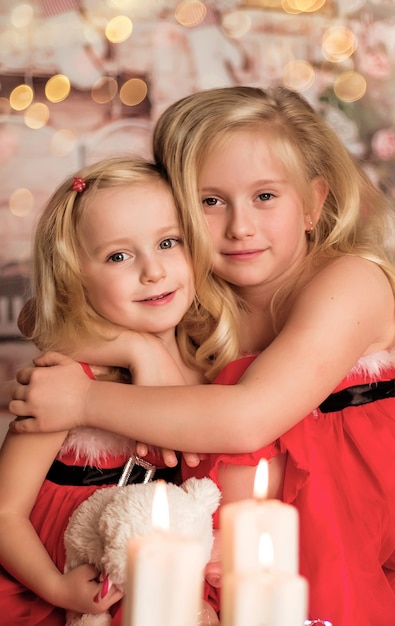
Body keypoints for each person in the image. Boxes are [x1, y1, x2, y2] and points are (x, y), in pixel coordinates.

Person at [9, 86, 395, 626]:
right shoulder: (201, 296)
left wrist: (86, 399)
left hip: (359, 530)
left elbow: (246, 420)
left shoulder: (350, 282)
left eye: (265, 197)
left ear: (314, 203)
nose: (239, 227)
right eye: (210, 201)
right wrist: (135, 346)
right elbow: (41, 316)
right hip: (250, 545)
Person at [0, 155, 237, 625]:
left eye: (169, 242)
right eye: (119, 256)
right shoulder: (66, 381)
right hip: (68, 586)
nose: (153, 271)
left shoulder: (213, 361)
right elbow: (4, 511)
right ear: (75, 278)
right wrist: (55, 586)